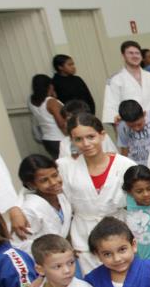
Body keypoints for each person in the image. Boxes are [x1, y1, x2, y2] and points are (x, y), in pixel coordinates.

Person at [58, 113, 137, 273]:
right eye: (78, 139)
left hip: (121, 231)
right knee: (95, 284)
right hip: (83, 235)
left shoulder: (124, 165)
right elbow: (49, 193)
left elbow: (143, 196)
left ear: (102, 135)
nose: (86, 143)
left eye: (91, 137)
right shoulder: (65, 166)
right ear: (71, 141)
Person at [14, 154, 72, 257]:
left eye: (55, 175)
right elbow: (17, 245)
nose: (54, 182)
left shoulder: (61, 196)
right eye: (44, 180)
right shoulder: (30, 209)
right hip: (40, 263)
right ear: (31, 184)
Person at [101, 41, 150, 127]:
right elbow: (111, 110)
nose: (135, 56)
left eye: (137, 53)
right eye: (130, 53)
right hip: (129, 127)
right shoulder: (115, 80)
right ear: (123, 55)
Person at [28, 74, 66, 157]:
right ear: (49, 86)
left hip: (47, 139)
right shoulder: (51, 102)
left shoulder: (31, 101)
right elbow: (61, 123)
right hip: (60, 138)